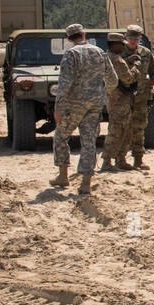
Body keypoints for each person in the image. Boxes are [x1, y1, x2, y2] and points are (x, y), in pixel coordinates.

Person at [50, 24, 109, 195]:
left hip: (74, 104)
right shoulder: (99, 51)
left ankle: (63, 176)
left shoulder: (71, 54)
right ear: (84, 34)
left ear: (69, 39)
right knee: (89, 142)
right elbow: (111, 77)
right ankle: (85, 183)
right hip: (95, 103)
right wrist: (109, 92)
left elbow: (64, 83)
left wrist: (58, 108)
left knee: (61, 136)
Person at [122, 24, 154, 171]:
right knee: (122, 128)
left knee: (139, 127)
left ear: (139, 38)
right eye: (131, 38)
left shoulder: (145, 53)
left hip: (141, 96)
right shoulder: (119, 53)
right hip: (123, 97)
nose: (133, 41)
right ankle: (120, 160)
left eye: (136, 38)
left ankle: (138, 160)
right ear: (126, 37)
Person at [102, 33, 138, 172]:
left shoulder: (105, 57)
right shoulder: (117, 60)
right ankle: (108, 161)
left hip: (115, 99)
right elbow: (128, 79)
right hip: (120, 100)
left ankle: (120, 160)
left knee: (126, 130)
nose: (124, 46)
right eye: (121, 44)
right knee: (117, 130)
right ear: (114, 45)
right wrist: (135, 68)